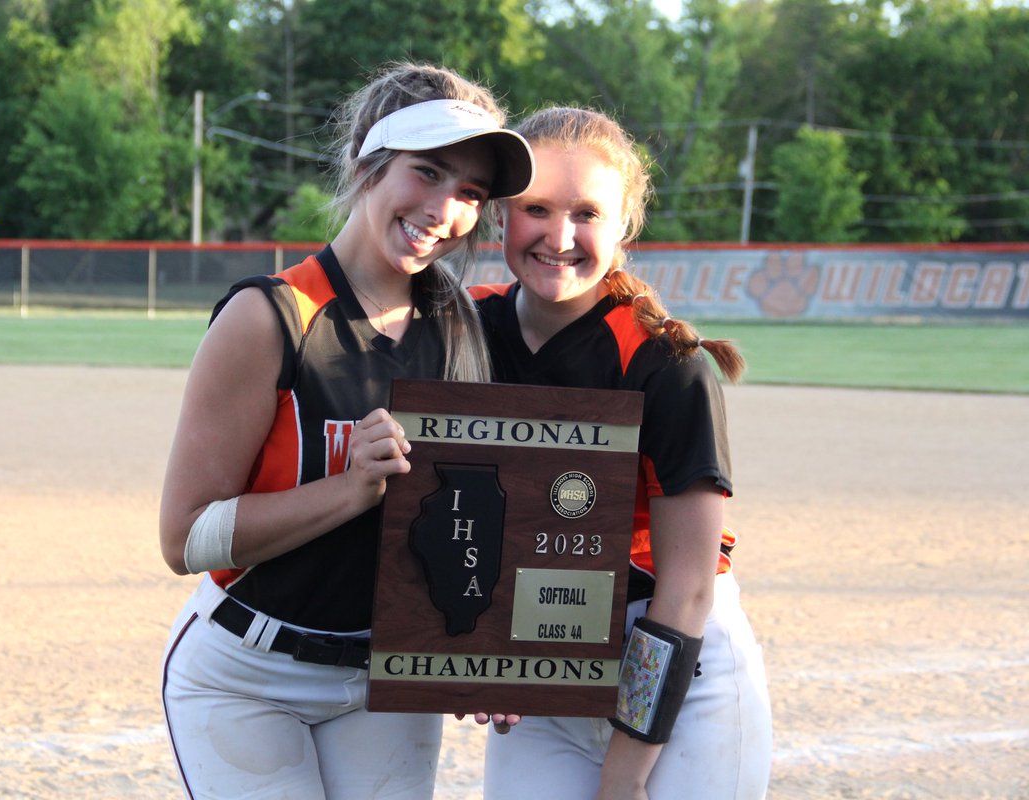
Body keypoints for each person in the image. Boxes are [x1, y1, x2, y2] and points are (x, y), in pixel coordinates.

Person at [157, 62, 535, 800]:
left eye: (470, 193)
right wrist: (353, 488)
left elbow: (471, 511)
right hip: (247, 673)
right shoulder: (271, 317)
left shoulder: (461, 323)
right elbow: (186, 538)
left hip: (381, 678)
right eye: (426, 172)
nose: (444, 209)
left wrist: (488, 650)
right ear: (369, 160)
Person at [469, 107, 772, 799]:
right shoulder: (466, 331)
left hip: (677, 674)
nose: (560, 235)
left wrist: (624, 777)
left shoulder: (668, 365)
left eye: (587, 212)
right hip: (547, 667)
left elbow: (688, 588)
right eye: (536, 208)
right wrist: (479, 652)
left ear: (624, 227)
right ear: (501, 217)